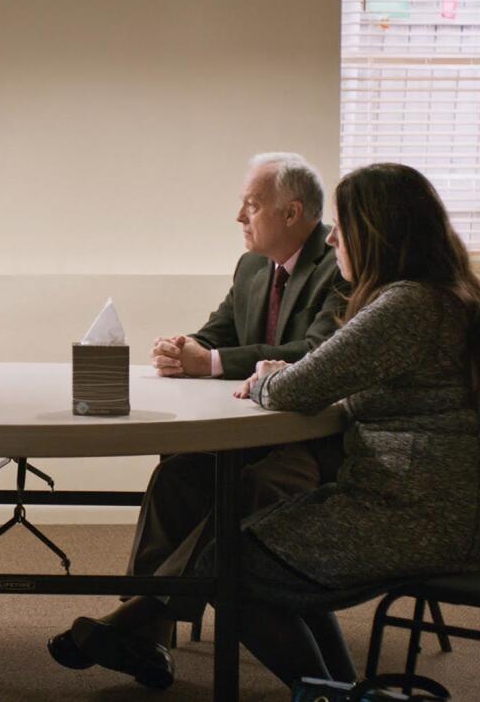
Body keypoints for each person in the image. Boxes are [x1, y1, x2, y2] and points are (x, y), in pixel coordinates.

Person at [48, 162, 480, 691]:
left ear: (376, 234)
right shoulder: (447, 298)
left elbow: (295, 387)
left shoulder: (407, 305)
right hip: (442, 512)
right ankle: (340, 690)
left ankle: (318, 689)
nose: (333, 237)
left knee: (229, 566)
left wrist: (266, 377)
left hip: (421, 520)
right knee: (248, 545)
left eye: (342, 226)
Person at [106, 154, 348, 645]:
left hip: (306, 442)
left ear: (292, 212)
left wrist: (212, 362)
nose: (240, 216)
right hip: (250, 429)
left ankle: (140, 623)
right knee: (176, 474)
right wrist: (181, 349)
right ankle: (150, 632)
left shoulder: (338, 266)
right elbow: (218, 333)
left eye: (252, 205)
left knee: (242, 487)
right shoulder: (252, 265)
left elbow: (314, 353)